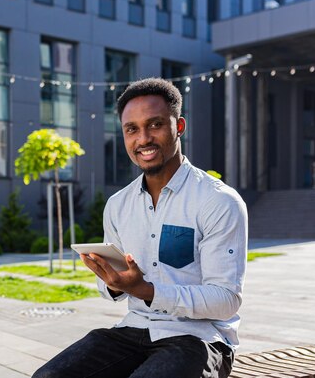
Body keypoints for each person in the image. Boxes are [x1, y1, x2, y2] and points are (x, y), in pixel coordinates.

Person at [33, 78, 248, 378]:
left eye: (155, 124)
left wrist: (146, 290)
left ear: (179, 126)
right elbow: (112, 291)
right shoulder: (118, 205)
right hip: (134, 330)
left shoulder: (218, 201)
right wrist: (113, 282)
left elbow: (226, 301)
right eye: (131, 129)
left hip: (200, 339)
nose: (143, 139)